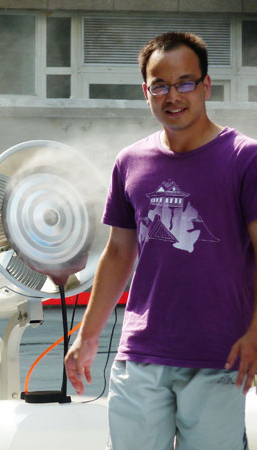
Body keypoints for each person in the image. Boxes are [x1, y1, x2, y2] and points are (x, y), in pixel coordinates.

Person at [64, 31, 257, 450]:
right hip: (141, 353)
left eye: (185, 82)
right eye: (160, 86)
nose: (174, 96)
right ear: (145, 91)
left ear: (206, 85)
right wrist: (88, 334)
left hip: (219, 356)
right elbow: (119, 251)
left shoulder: (245, 158)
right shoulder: (131, 161)